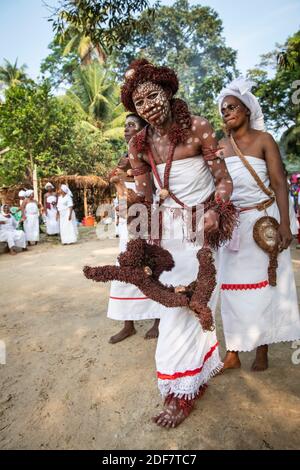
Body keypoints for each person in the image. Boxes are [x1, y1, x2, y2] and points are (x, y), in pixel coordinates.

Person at [117, 59, 234, 427]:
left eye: (152, 96)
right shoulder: (139, 144)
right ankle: (180, 387)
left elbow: (224, 181)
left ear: (167, 92)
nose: (148, 106)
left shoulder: (198, 128)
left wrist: (216, 210)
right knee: (173, 309)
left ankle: (184, 390)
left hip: (201, 232)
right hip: (167, 234)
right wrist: (133, 209)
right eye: (139, 103)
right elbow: (145, 194)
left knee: (194, 305)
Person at [217, 77, 300, 372]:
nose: (226, 111)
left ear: (247, 110)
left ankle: (261, 348)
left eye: (232, 106)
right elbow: (218, 186)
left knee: (263, 287)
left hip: (264, 223)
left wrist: (286, 226)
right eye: (223, 108)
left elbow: (279, 184)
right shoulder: (221, 147)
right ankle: (234, 351)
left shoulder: (265, 140)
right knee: (230, 288)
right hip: (234, 226)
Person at [107, 113, 160, 344]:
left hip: (147, 215)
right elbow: (116, 185)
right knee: (124, 269)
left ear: (143, 130)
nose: (126, 129)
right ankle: (127, 324)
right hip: (126, 217)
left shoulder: (150, 156)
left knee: (151, 267)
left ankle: (158, 320)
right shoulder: (123, 158)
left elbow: (156, 188)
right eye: (125, 125)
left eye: (132, 125)